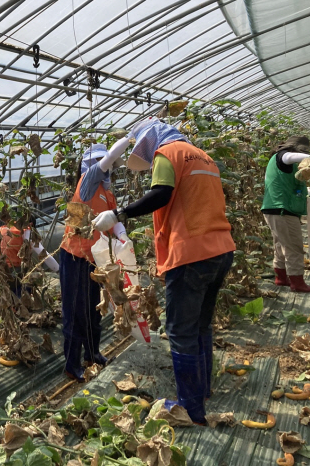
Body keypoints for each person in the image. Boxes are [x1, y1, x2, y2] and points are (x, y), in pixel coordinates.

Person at [92, 117, 235, 424]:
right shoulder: (202, 156)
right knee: (200, 325)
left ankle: (191, 408)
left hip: (192, 252)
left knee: (181, 331)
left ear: (150, 141)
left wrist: (119, 214)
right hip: (221, 248)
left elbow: (162, 194)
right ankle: (202, 390)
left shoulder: (166, 154)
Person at [60, 140, 129, 381]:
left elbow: (114, 216)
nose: (108, 170)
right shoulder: (87, 184)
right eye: (105, 165)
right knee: (75, 312)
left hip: (95, 260)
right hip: (75, 256)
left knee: (93, 309)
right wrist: (126, 141)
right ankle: (72, 365)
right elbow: (104, 163)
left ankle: (92, 353)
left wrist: (122, 236)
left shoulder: (107, 191)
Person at [261, 135, 310, 292]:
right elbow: (296, 156)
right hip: (281, 209)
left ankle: (281, 278)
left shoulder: (288, 164)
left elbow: (290, 185)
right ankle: (297, 282)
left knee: (281, 245)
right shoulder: (283, 156)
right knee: (294, 246)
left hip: (276, 208)